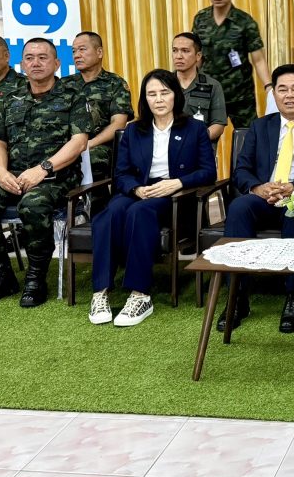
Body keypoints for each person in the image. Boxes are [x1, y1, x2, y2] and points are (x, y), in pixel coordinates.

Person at [0, 38, 91, 307]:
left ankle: (36, 279)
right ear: (22, 64)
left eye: (43, 57)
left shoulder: (73, 96)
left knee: (33, 205)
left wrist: (43, 169)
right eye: (30, 58)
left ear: (57, 63)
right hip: (12, 175)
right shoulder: (11, 99)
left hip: (56, 177)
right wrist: (0, 172)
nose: (36, 63)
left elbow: (79, 142)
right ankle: (2, 276)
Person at [218, 64, 294, 333]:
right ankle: (237, 298)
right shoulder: (259, 127)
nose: (289, 95)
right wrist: (258, 187)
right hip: (263, 196)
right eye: (282, 89)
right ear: (274, 94)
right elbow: (241, 170)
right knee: (239, 207)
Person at [89, 69, 216, 327]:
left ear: (175, 95)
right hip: (140, 190)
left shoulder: (195, 129)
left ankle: (140, 294)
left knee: (140, 212)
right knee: (109, 213)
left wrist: (177, 183)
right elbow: (121, 174)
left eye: (164, 93)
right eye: (152, 94)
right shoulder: (134, 130)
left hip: (176, 195)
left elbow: (208, 172)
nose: (158, 99)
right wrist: (136, 189)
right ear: (144, 99)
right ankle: (100, 292)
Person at [192, 0, 272, 129]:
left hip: (240, 95)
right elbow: (196, 56)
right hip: (207, 92)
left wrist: (269, 87)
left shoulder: (245, 22)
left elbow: (258, 60)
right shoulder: (201, 19)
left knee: (248, 137)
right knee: (201, 137)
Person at [64, 31, 133, 181]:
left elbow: (118, 124)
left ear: (99, 52)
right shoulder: (64, 84)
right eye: (74, 51)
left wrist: (86, 144)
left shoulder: (115, 83)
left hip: (98, 145)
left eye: (82, 49)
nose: (76, 55)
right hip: (67, 144)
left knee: (92, 159)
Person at [172, 31, 227, 145]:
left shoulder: (213, 86)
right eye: (175, 50)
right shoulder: (164, 84)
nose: (178, 56)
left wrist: (195, 139)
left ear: (198, 56)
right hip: (168, 147)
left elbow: (218, 124)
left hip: (199, 148)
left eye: (185, 51)